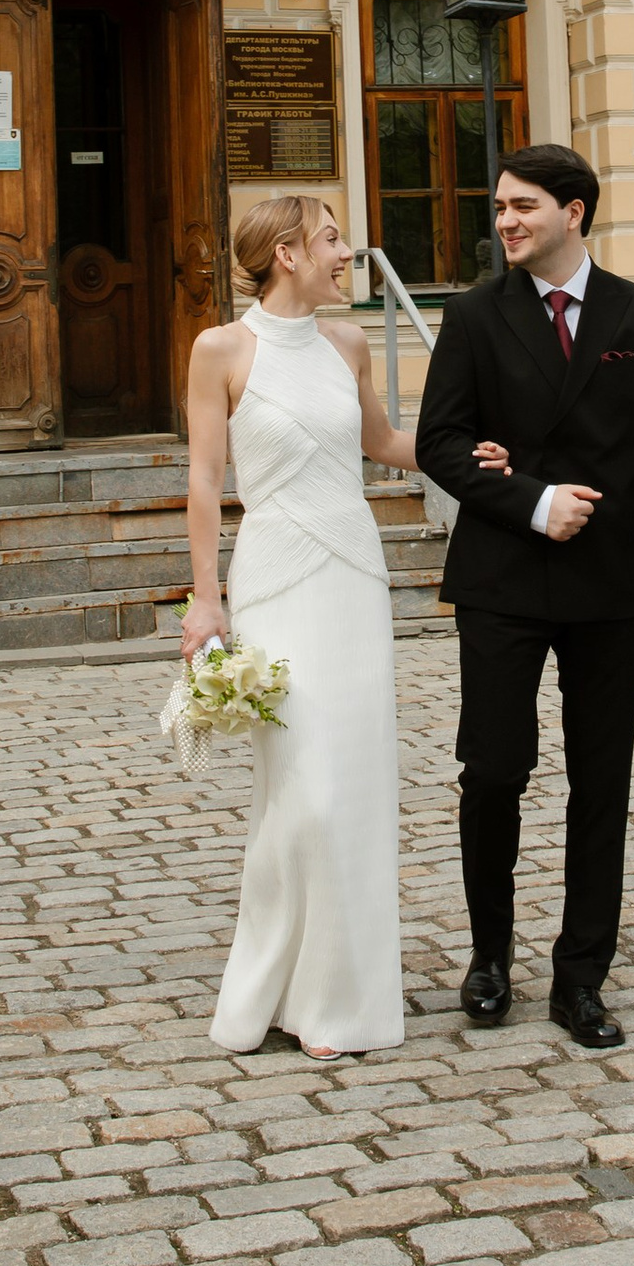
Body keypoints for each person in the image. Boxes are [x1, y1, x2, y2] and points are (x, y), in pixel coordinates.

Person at [414, 142, 634, 1050]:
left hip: (611, 579)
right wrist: (531, 500)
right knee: (495, 769)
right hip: (503, 578)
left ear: (574, 212)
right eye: (500, 207)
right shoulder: (473, 316)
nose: (506, 221)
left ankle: (581, 976)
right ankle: (487, 959)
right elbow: (441, 444)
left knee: (602, 781)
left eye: (523, 207)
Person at [182, 195, 414, 1062]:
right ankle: (275, 986)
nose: (348, 252)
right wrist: (207, 600)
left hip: (352, 573)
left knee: (352, 787)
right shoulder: (221, 351)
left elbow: (384, 441)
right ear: (286, 253)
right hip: (276, 574)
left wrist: (470, 451)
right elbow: (206, 479)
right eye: (331, 239)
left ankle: (335, 1000)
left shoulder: (346, 344)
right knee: (302, 795)